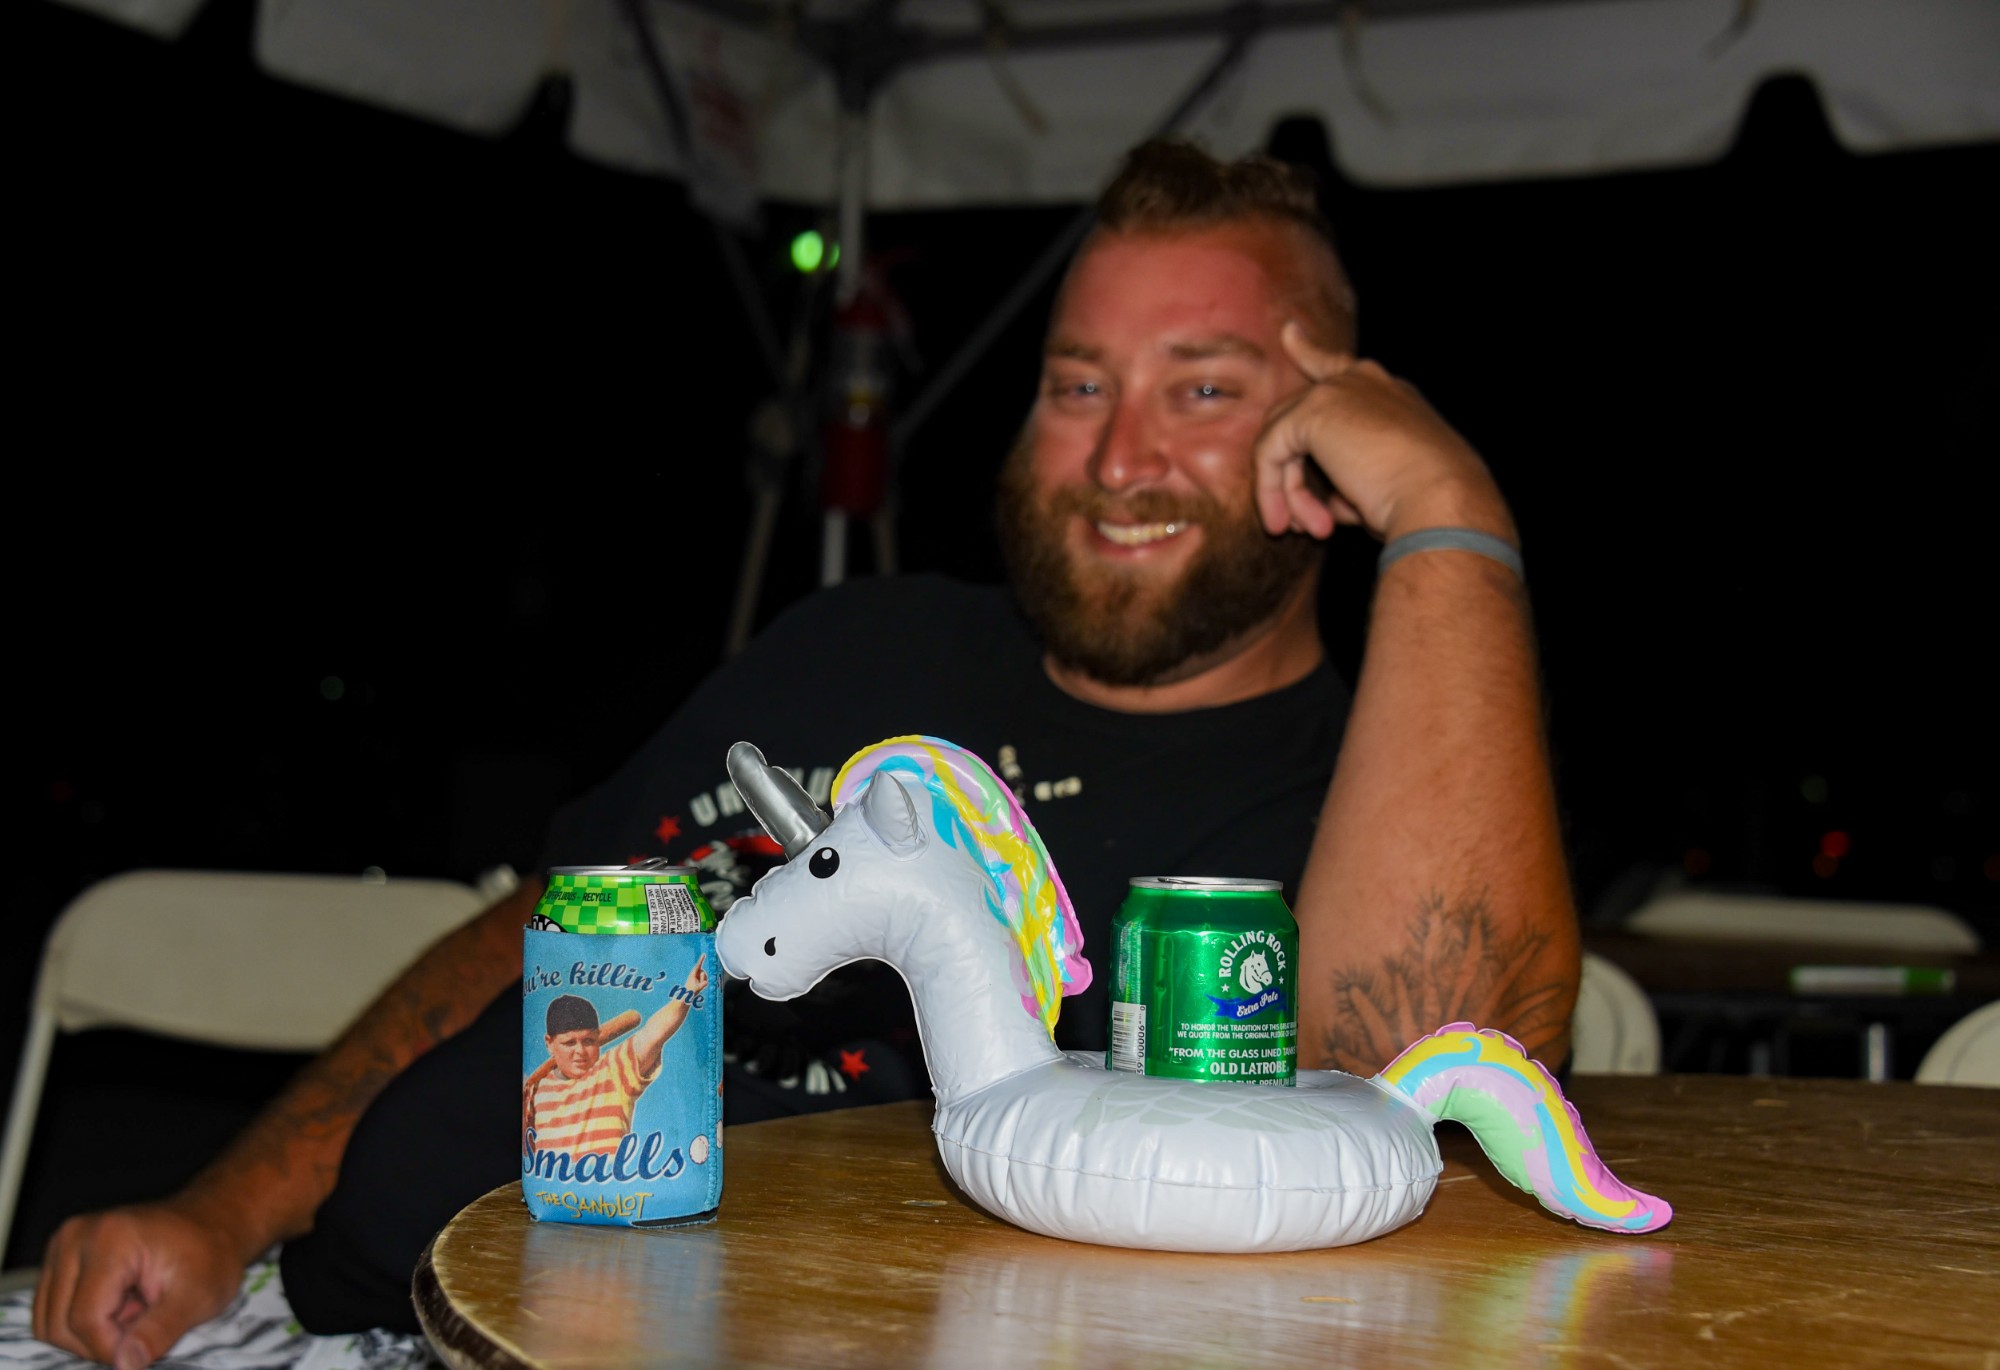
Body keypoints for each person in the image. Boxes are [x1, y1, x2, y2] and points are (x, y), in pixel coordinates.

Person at [32, 138, 1578, 1367]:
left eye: (1206, 388)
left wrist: (1449, 511)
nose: (1119, 456)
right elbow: (542, 930)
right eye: (1078, 385)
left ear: (1332, 435)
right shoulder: (864, 640)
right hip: (315, 1318)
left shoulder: (1358, 797)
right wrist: (219, 1211)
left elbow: (1427, 1084)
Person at [525, 957, 708, 1159]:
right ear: (549, 1043)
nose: (580, 1052)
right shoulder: (536, 1091)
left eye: (588, 1041)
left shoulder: (613, 1070)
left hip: (608, 1178)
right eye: (569, 1043)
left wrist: (687, 993)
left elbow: (653, 1034)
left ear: (598, 1036)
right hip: (555, 1179)